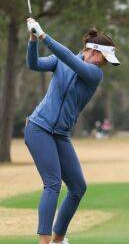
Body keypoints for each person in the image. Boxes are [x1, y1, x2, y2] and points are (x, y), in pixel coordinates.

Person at [24, 18, 120, 244]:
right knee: (53, 184)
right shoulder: (62, 60)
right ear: (92, 51)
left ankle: (59, 239)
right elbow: (34, 64)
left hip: (60, 134)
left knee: (77, 187)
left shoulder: (94, 74)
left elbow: (68, 57)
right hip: (39, 128)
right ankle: (45, 242)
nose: (104, 64)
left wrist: (44, 36)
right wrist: (32, 39)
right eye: (104, 58)